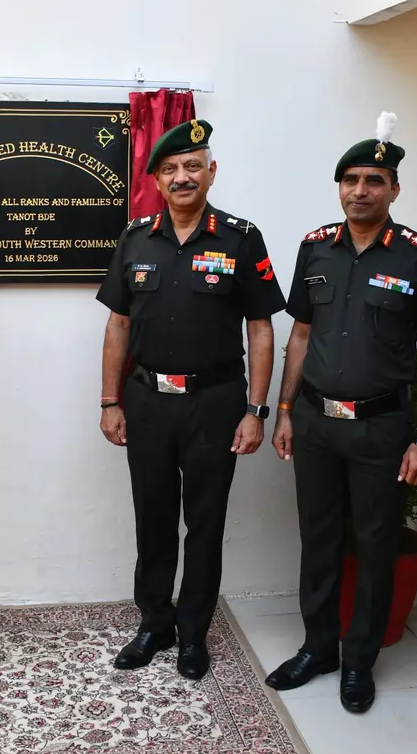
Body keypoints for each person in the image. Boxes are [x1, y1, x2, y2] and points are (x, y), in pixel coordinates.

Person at [265, 113, 417, 713]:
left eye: (374, 179)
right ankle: (318, 648)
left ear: (394, 189)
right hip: (317, 421)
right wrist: (286, 409)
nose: (360, 190)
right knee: (318, 537)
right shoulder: (315, 247)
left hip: (381, 426)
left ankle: (360, 660)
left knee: (375, 543)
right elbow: (300, 335)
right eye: (350, 179)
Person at [96, 118, 286, 680]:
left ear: (211, 172)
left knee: (205, 521)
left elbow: (262, 329)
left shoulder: (240, 238)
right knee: (152, 518)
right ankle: (154, 623)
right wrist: (110, 401)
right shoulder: (136, 238)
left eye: (193, 166)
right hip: (148, 401)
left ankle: (192, 631)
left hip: (216, 402)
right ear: (156, 178)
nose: (183, 177)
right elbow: (117, 326)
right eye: (171, 169)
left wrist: (256, 410)